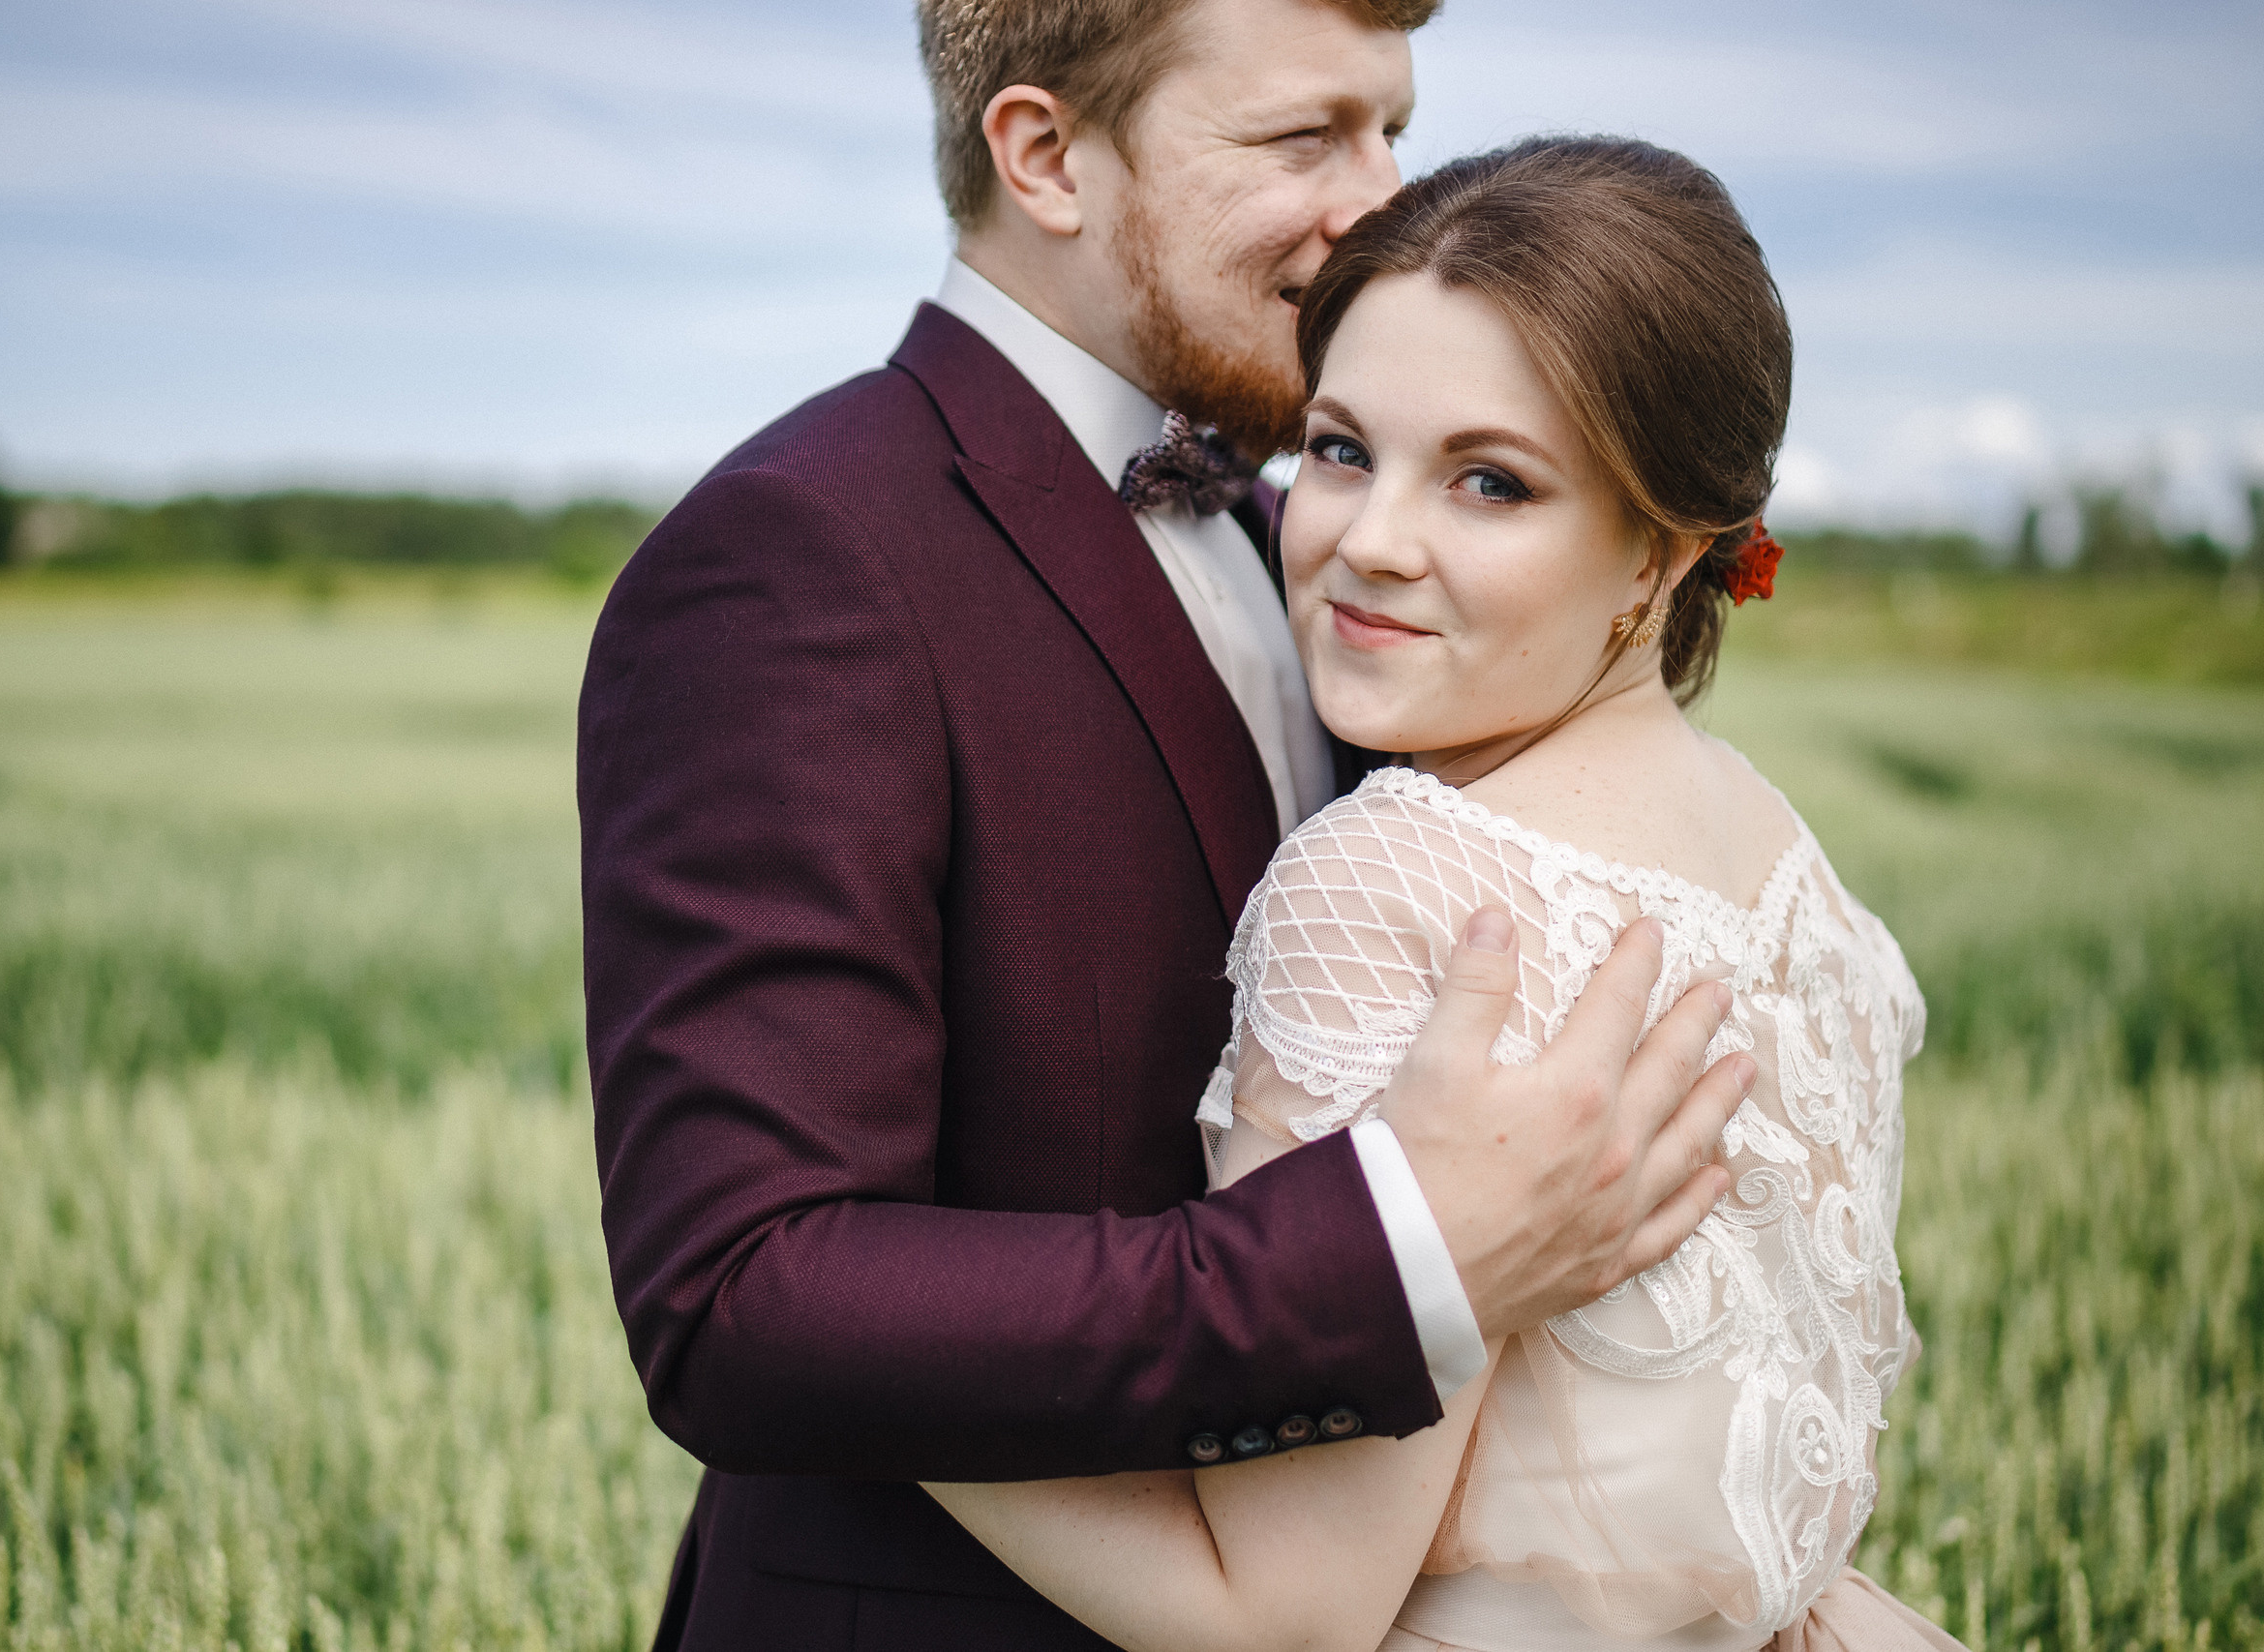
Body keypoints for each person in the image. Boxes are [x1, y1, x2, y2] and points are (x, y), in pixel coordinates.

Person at [577, 4, 1750, 1646]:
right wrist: (1404, 1251)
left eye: (1393, 130)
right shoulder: (799, 557)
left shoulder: (1325, 543)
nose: (1388, 206)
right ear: (1047, 156)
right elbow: (738, 1296)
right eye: (1304, 141)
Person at [923, 136, 1963, 1652]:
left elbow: (1278, 1612)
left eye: (1490, 481)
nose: (1368, 543)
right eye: (1340, 448)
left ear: (1666, 551)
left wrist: (871, 1402)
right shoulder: (1795, 874)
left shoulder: (1395, 880)